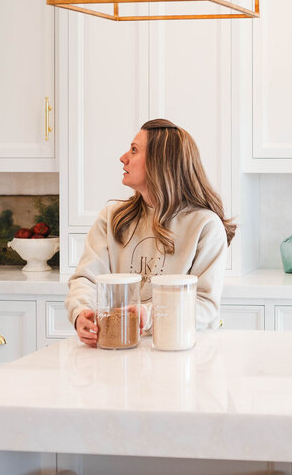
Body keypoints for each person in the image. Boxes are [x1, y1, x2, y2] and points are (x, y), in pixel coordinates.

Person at [67, 119, 233, 346]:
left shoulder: (205, 226)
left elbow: (205, 304)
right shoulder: (112, 217)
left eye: (134, 150)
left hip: (182, 353)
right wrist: (81, 312)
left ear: (160, 163)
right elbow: (87, 279)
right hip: (120, 346)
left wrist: (148, 315)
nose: (123, 157)